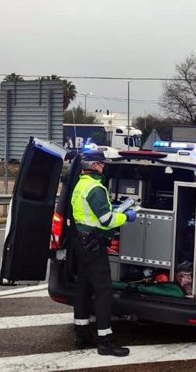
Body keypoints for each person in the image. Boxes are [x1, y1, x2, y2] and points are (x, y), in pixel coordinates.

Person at [71, 150, 137, 357]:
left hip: (81, 244)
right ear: (95, 166)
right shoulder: (96, 188)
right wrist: (126, 216)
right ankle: (105, 342)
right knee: (103, 292)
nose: (104, 167)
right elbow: (107, 221)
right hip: (94, 246)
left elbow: (91, 214)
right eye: (102, 164)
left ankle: (81, 335)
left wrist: (113, 210)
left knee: (82, 288)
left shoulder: (81, 185)